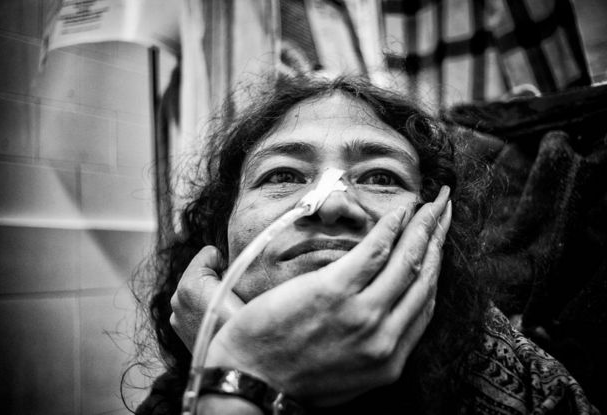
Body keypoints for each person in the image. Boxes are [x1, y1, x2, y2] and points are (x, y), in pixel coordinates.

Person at [132, 75, 598, 415]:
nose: (332, 205)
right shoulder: (171, 402)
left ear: (436, 227)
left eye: (381, 177)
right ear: (222, 236)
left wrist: (240, 378)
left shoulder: (532, 393)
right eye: (283, 175)